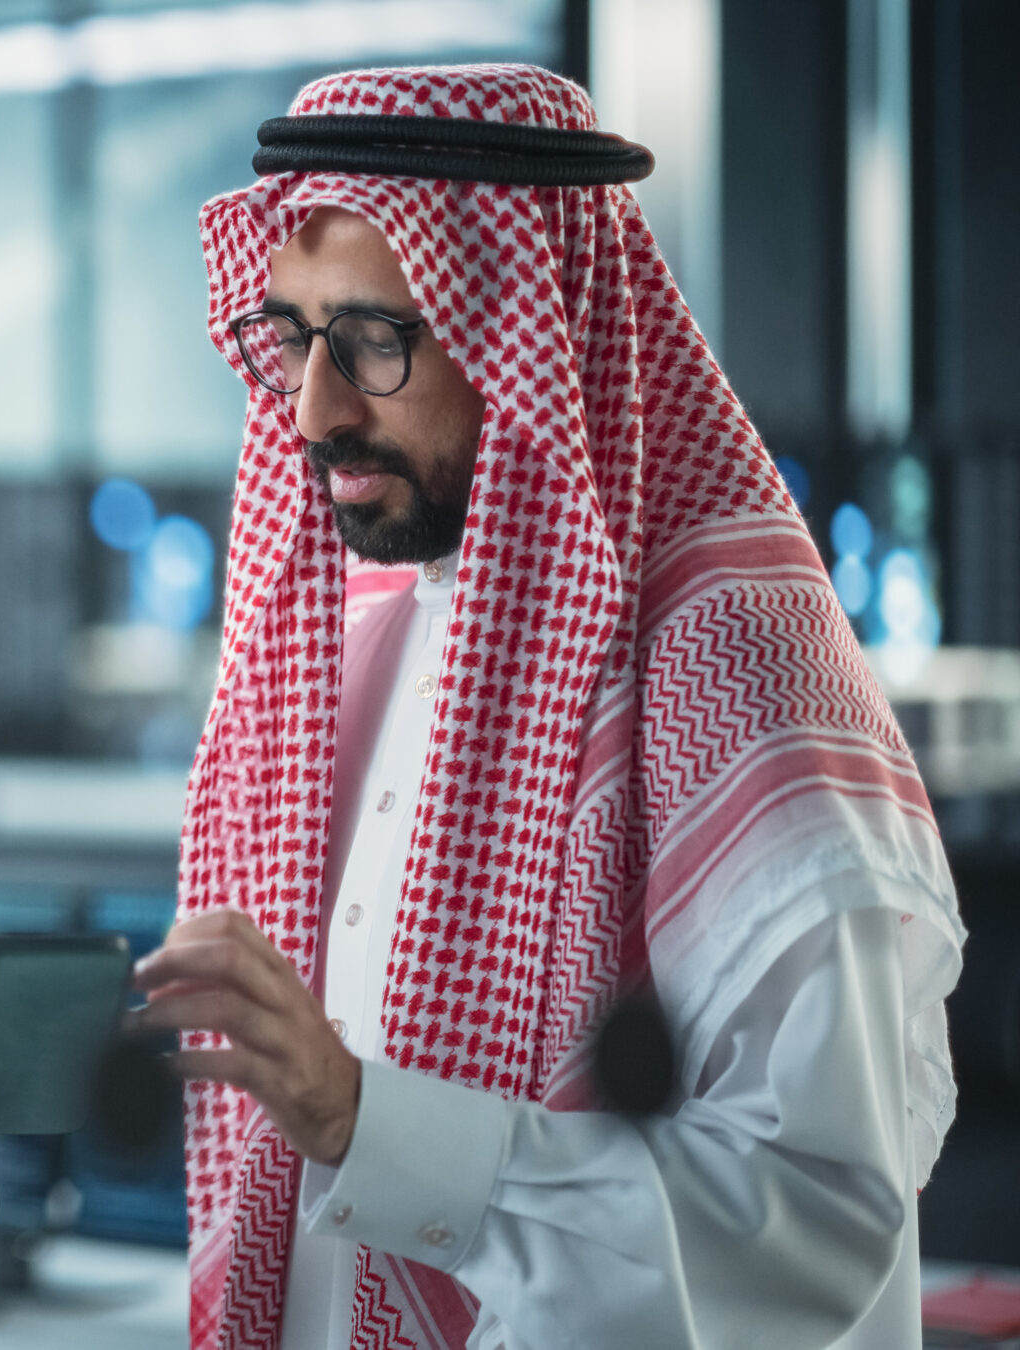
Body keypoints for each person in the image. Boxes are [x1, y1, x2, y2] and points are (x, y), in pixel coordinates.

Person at [133, 63, 964, 1350]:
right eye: (292, 337)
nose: (312, 408)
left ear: (532, 329)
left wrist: (371, 1125)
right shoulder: (348, 639)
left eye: (371, 339)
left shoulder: (737, 674)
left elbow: (817, 1231)